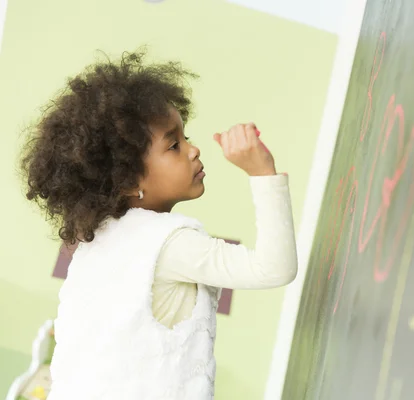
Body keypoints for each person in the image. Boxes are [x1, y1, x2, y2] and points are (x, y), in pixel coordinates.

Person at [20, 51, 298, 400]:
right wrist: (262, 172)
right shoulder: (168, 245)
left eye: (186, 137)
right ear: (126, 181)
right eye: (174, 145)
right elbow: (273, 268)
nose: (194, 150)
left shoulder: (96, 250)